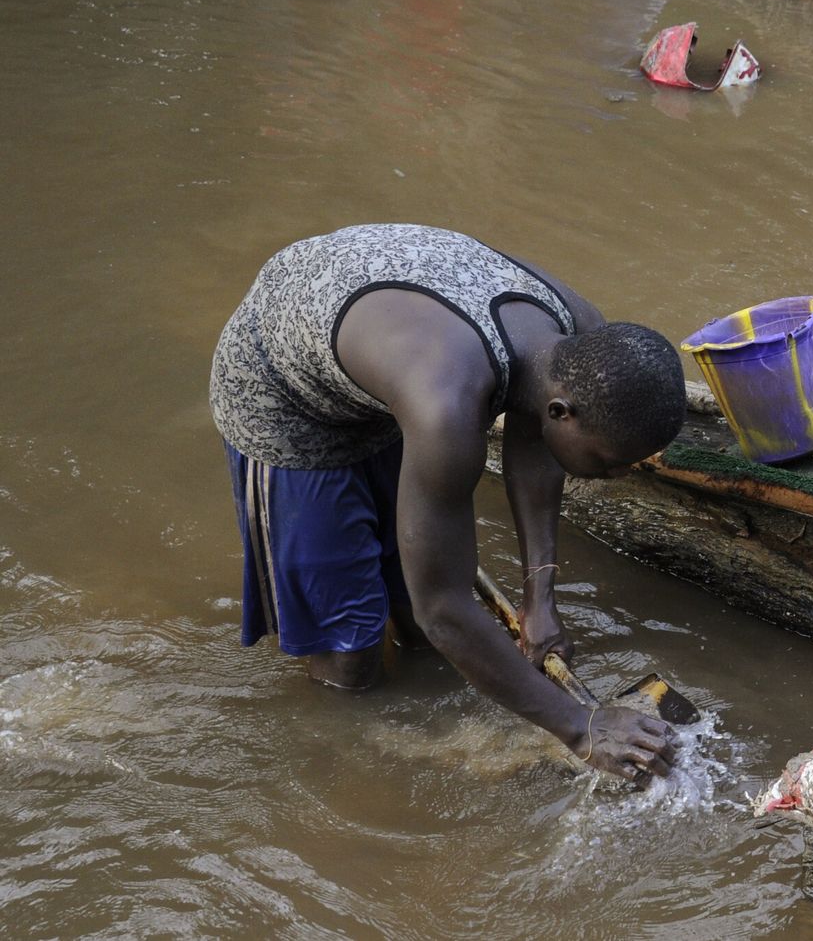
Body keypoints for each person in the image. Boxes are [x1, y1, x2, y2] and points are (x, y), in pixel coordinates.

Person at [209, 223, 685, 781]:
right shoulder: (445, 407)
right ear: (563, 413)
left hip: (375, 335)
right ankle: (346, 763)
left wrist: (542, 598)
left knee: (410, 613)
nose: (620, 475)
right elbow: (445, 609)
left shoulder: (580, 343)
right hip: (282, 389)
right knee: (350, 648)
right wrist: (581, 728)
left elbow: (537, 450)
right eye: (610, 461)